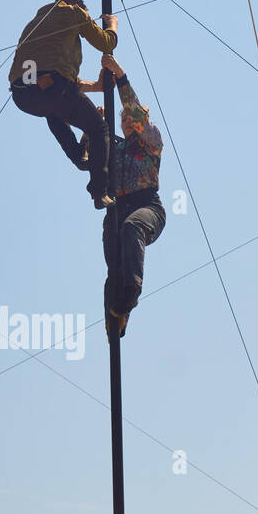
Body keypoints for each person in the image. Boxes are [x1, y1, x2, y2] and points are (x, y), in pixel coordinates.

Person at [79, 53, 165, 339]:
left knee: (132, 228)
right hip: (116, 209)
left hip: (146, 206)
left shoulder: (151, 142)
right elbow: (87, 160)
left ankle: (132, 292)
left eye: (132, 119)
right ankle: (115, 317)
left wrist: (120, 76)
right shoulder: (114, 147)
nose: (127, 123)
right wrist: (93, 127)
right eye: (123, 120)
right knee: (113, 266)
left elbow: (136, 113)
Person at [8, 0, 119, 209]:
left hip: (22, 95)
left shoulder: (35, 22)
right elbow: (106, 43)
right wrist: (111, 25)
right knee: (99, 128)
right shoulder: (74, 13)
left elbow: (47, 71)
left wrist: (95, 87)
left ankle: (80, 157)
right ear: (77, 6)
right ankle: (99, 192)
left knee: (53, 109)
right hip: (52, 89)